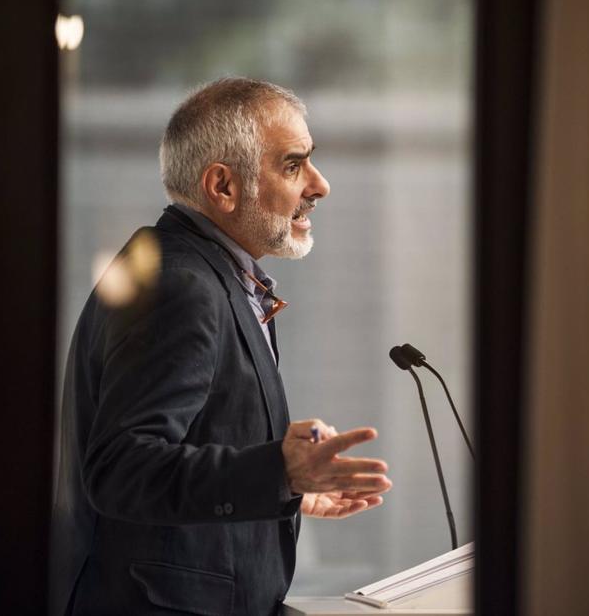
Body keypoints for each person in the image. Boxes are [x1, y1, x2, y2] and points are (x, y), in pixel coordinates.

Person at [51, 78, 392, 615]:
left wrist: (289, 487)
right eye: (292, 165)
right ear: (223, 187)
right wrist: (279, 471)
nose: (320, 184)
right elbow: (122, 469)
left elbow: (186, 443)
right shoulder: (182, 285)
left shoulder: (192, 269)